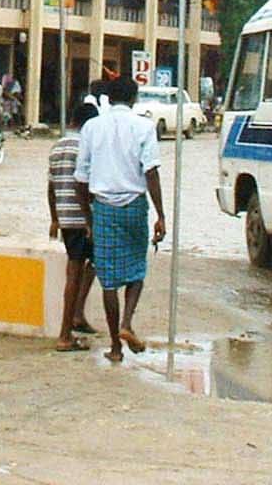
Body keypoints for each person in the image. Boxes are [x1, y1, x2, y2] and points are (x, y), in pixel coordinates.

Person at [74, 75, 166, 364]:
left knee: (108, 280)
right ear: (134, 99)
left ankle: (115, 345)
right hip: (135, 206)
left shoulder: (91, 127)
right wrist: (161, 215)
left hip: (103, 208)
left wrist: (88, 217)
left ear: (108, 98)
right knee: (136, 270)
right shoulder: (144, 127)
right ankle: (127, 322)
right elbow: (151, 172)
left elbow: (81, 178)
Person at [48, 102, 101, 351]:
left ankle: (77, 316)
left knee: (85, 265)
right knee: (80, 270)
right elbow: (87, 185)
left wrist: (54, 219)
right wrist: (91, 218)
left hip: (66, 217)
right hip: (83, 218)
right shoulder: (86, 147)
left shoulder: (57, 147)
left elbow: (51, 187)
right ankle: (65, 334)